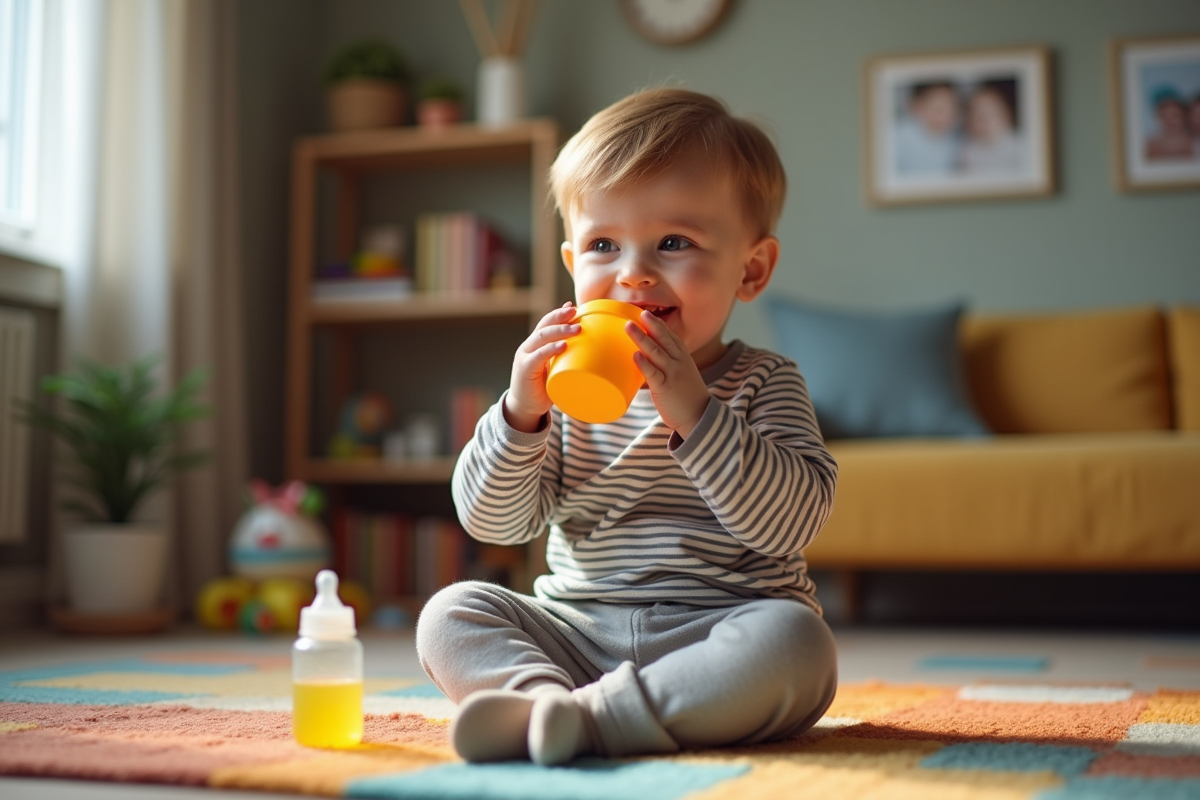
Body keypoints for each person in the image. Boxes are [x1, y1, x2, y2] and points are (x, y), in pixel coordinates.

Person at [415, 88, 839, 766]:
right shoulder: (555, 395)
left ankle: (592, 721)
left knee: (800, 645)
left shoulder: (766, 381)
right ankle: (540, 698)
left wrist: (696, 414)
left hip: (718, 635)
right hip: (577, 632)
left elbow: (791, 525)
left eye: (674, 243)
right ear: (572, 266)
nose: (632, 275)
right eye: (603, 245)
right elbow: (495, 524)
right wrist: (521, 415)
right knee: (452, 611)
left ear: (750, 269)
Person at [893, 80, 962, 175]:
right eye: (939, 110)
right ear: (915, 106)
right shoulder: (899, 136)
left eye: (952, 109)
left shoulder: (956, 137)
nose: (946, 116)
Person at [960, 80, 1025, 175]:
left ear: (1007, 116)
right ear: (968, 123)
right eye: (977, 116)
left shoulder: (1020, 144)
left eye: (991, 114)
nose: (985, 120)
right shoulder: (966, 152)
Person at [1144, 85, 1194, 161]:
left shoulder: (1194, 142)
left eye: (1175, 115)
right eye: (1164, 116)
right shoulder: (1149, 144)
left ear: (1183, 115)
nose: (1170, 121)